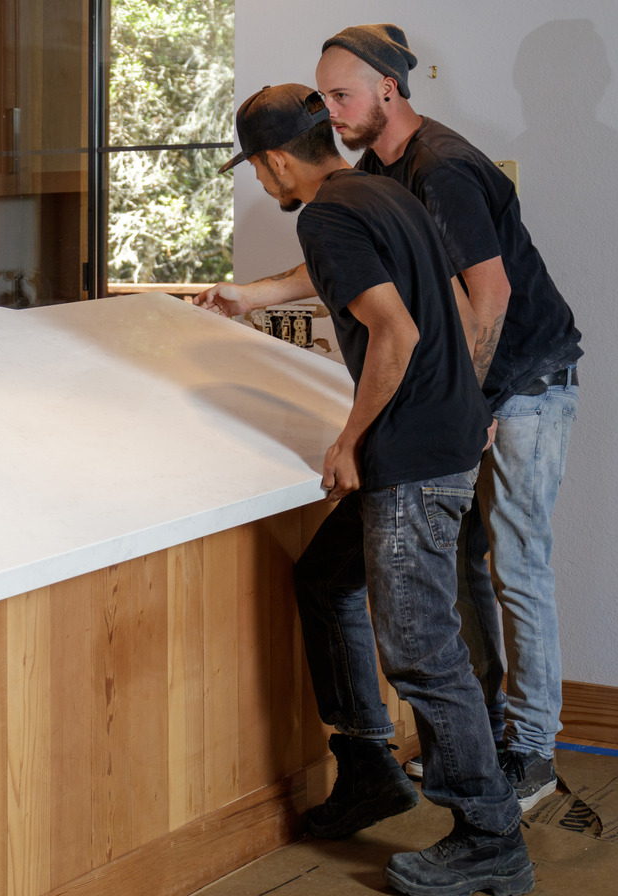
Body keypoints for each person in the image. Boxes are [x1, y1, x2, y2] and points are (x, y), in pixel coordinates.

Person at [198, 23, 583, 813]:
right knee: (454, 572)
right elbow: (369, 264)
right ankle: (464, 753)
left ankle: (531, 753)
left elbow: (489, 296)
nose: (330, 113)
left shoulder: (440, 168)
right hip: (457, 396)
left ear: (389, 89)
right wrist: (254, 294)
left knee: (515, 564)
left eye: (341, 95)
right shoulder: (373, 174)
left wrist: (462, 404)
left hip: (524, 380)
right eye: (322, 99)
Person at [214, 85, 531, 896]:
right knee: (325, 580)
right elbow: (383, 291)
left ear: (276, 159)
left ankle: (489, 836)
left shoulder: (327, 215)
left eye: (257, 168)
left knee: (422, 652)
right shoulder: (377, 191)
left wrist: (350, 439)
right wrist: (251, 295)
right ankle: (367, 765)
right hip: (446, 436)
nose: (260, 182)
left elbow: (395, 330)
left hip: (412, 457)